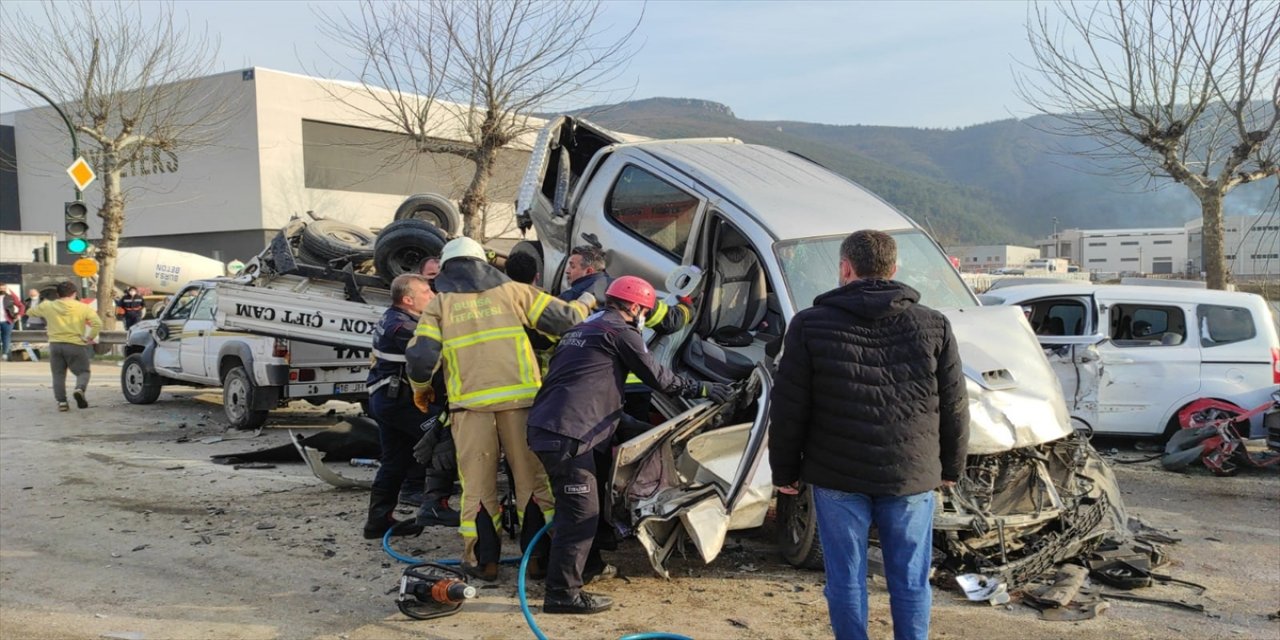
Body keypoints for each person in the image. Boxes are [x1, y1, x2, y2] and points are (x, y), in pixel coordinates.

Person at [769, 230, 969, 640]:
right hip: (910, 475)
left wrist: (784, 471)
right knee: (910, 580)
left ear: (845, 269)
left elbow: (789, 406)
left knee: (845, 579)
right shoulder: (933, 323)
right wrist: (952, 466)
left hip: (837, 475)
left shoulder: (809, 324)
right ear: (894, 269)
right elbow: (954, 404)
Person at [526, 275, 732, 614]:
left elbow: (586, 385)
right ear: (635, 307)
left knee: (586, 507)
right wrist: (706, 390)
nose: (643, 317)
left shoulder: (581, 331)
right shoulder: (620, 332)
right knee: (580, 513)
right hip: (568, 435)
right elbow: (660, 378)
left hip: (555, 428)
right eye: (644, 312)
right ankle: (562, 594)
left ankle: (587, 568)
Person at [405, 236, 595, 582]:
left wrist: (421, 391)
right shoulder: (513, 293)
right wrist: (589, 296)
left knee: (477, 488)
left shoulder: (440, 304)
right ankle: (538, 560)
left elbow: (420, 360)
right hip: (523, 406)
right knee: (533, 483)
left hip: (471, 409)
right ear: (484, 264)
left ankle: (483, 563)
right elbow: (566, 319)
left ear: (447, 270)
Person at [361, 273, 461, 539]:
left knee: (395, 461)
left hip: (389, 401)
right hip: (400, 402)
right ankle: (435, 505)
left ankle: (377, 522)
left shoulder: (398, 318)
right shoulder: (402, 327)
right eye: (426, 292)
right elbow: (436, 350)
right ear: (408, 299)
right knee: (445, 436)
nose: (432, 296)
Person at [27, 281, 102, 411]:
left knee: (58, 375)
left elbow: (30, 312)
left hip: (55, 345)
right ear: (74, 294)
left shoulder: (47, 306)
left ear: (57, 294)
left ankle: (62, 403)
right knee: (83, 371)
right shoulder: (82, 307)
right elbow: (97, 323)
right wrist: (89, 337)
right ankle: (79, 389)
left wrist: (35, 299)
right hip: (76, 344)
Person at [0, 285, 23, 360]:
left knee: (6, 337)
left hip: (7, 321)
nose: (2, 289)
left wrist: (19, 315)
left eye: (3, 288)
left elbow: (21, 306)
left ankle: (5, 353)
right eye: (1, 288)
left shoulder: (10, 297)